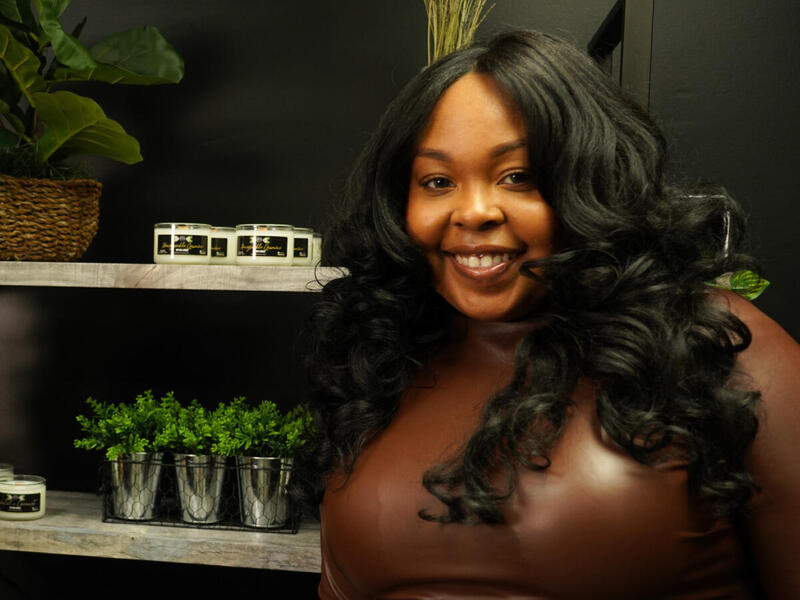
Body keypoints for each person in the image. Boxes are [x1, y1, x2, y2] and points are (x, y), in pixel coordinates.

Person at [295, 29, 800, 599]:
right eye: (438, 181)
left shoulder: (723, 351)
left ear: (591, 183)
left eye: (519, 177)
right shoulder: (384, 358)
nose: (475, 211)